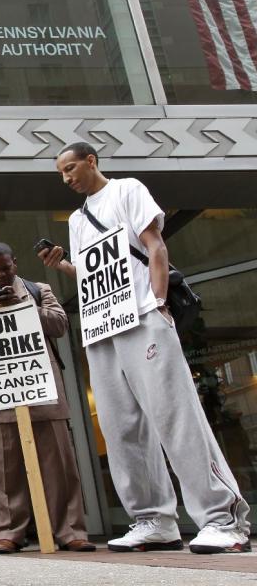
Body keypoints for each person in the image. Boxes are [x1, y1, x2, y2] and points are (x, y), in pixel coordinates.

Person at [39, 142, 251, 554]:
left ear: (91, 161)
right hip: (102, 325)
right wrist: (62, 265)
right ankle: (153, 518)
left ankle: (222, 518)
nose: (67, 178)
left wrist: (157, 302)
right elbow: (90, 272)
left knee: (175, 414)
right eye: (60, 173)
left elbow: (154, 245)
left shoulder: (127, 189)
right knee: (121, 429)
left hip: (142, 315)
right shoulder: (78, 219)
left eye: (70, 168)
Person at [0, 242, 94, 554]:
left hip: (42, 390)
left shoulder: (37, 290)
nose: (1, 276)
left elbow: (60, 324)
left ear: (14, 263)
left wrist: (23, 304)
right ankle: (8, 532)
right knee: (5, 470)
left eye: (6, 268)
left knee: (58, 467)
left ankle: (70, 530)